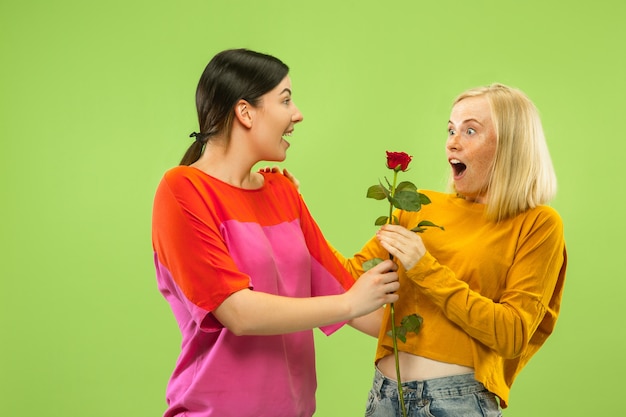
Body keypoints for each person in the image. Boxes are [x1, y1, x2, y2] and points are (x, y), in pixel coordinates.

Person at [151, 48, 400, 417]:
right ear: (245, 112)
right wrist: (351, 303)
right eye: (285, 100)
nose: (297, 113)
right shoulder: (183, 190)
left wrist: (452, 328)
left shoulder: (282, 192)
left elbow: (345, 289)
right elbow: (238, 311)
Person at [331, 83, 567, 416]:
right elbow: (344, 278)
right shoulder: (418, 207)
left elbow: (512, 335)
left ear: (511, 145)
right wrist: (290, 211)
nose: (453, 142)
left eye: (471, 131)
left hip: (457, 403)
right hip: (384, 396)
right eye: (451, 129)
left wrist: (424, 266)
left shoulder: (537, 224)